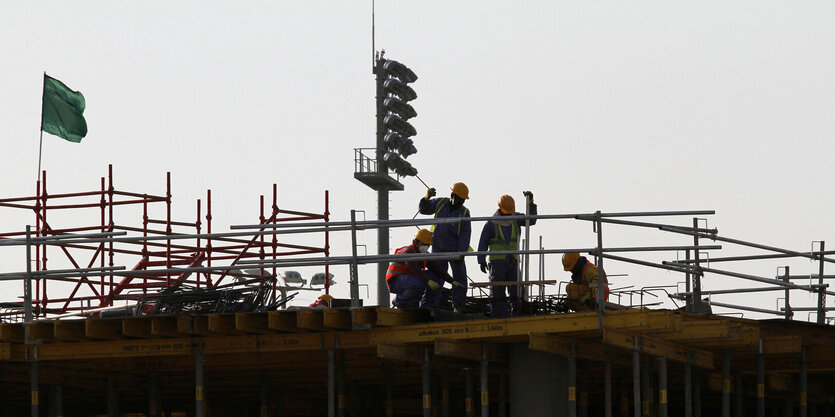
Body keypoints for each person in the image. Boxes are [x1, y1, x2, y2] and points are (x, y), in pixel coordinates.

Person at [477, 192, 536, 317]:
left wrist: (531, 204)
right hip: (497, 263)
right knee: (498, 292)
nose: (509, 215)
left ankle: (517, 315)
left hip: (513, 261)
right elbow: (483, 242)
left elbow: (531, 220)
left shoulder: (515, 218)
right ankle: (500, 317)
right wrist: (481, 260)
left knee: (516, 291)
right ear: (501, 209)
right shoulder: (491, 224)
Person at [419, 182, 472, 313]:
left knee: (459, 277)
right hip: (438, 249)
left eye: (463, 200)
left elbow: (465, 235)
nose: (461, 202)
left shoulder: (464, 212)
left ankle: (458, 305)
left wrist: (461, 254)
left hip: (455, 250)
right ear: (452, 195)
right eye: (459, 199)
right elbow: (423, 210)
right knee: (435, 277)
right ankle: (429, 304)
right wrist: (426, 197)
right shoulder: (441, 203)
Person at [386, 229, 459, 309]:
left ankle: (427, 305)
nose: (426, 247)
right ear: (416, 242)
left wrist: (451, 280)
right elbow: (414, 269)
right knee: (418, 283)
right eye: (424, 244)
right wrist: (428, 281)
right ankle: (399, 301)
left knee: (436, 277)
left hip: (410, 279)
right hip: (396, 281)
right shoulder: (408, 251)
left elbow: (437, 269)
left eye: (428, 245)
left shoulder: (425, 255)